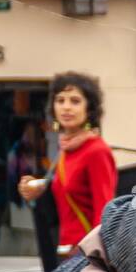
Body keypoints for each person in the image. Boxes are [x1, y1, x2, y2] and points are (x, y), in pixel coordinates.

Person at [18, 72, 117, 256]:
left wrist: (96, 259)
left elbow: (104, 213)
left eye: (75, 101)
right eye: (60, 100)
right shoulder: (66, 150)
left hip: (87, 256)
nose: (66, 107)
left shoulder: (96, 150)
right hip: (66, 252)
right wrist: (40, 188)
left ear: (90, 108)